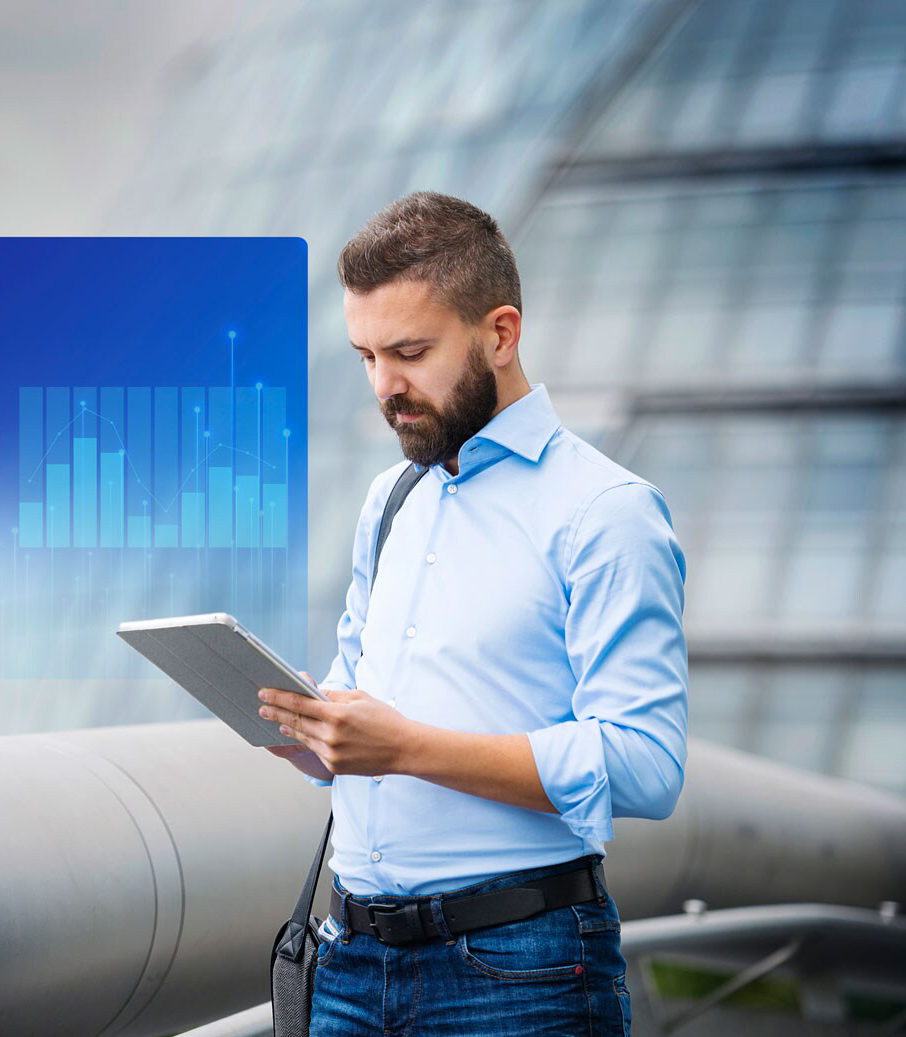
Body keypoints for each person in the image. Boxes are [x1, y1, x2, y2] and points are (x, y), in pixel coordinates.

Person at [257, 192, 687, 1036]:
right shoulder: (390, 499)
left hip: (521, 972)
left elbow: (647, 763)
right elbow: (362, 703)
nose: (385, 386)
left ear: (500, 333)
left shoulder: (606, 511)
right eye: (366, 356)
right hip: (349, 963)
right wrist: (311, 731)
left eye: (410, 352)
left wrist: (405, 747)